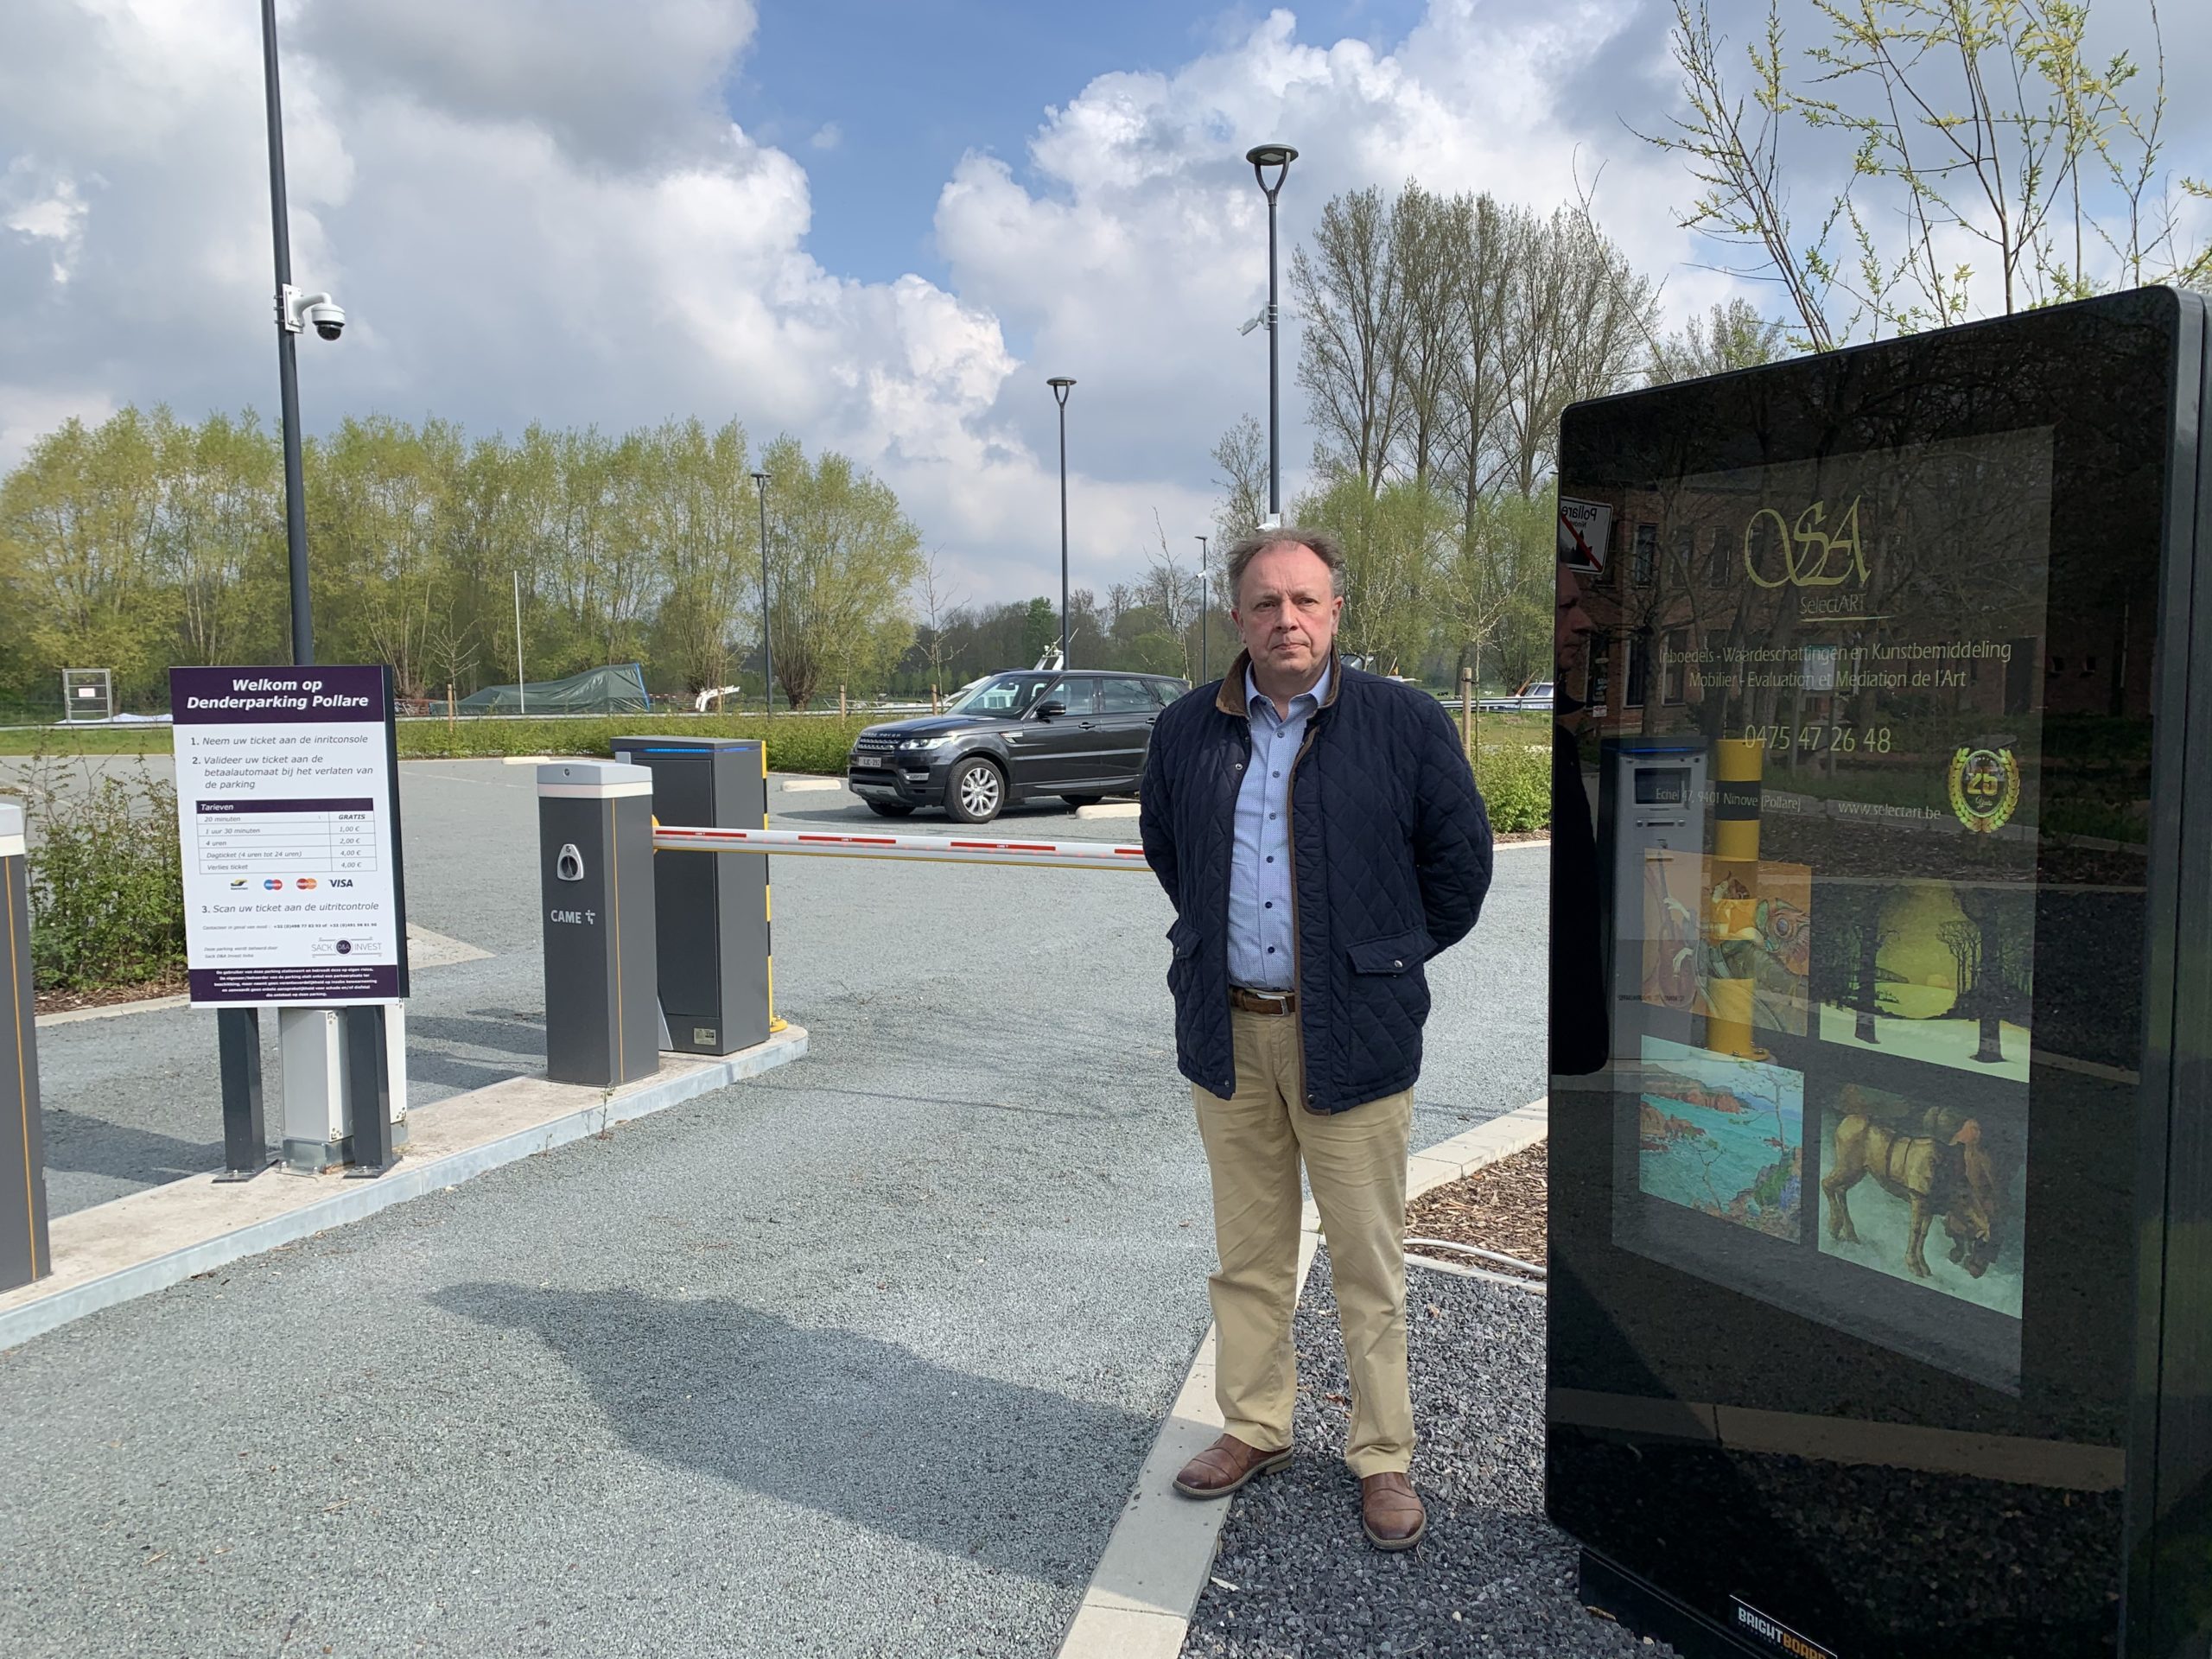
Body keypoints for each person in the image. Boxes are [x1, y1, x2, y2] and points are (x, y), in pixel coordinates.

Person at [1138, 525, 1493, 1551]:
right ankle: (1255, 1425)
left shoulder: (1403, 722)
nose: (1285, 620)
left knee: (1366, 1265)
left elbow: (1459, 870)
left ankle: (1382, 1458)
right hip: (1229, 1034)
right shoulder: (1184, 731)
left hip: (1354, 1035)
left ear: (1336, 612)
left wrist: (1379, 959)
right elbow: (1171, 850)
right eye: (1264, 603)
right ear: (1236, 617)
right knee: (1247, 1256)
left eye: (1304, 601)